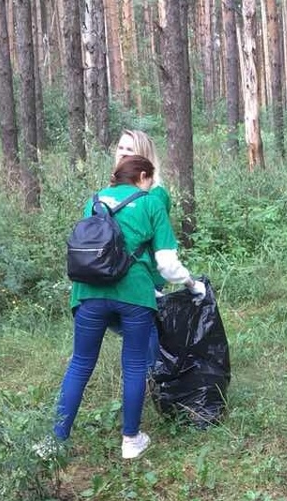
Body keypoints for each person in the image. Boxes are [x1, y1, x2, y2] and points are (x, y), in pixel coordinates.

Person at [47, 155, 205, 459]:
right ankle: (131, 440)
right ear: (143, 176)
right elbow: (167, 265)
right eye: (150, 179)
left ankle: (55, 439)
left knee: (80, 363)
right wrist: (191, 285)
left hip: (88, 292)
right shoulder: (150, 203)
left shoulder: (94, 200)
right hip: (134, 294)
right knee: (133, 365)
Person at [113, 130, 169, 365]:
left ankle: (153, 377)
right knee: (132, 327)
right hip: (117, 271)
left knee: (146, 330)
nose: (123, 153)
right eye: (121, 148)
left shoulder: (156, 194)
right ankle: (147, 369)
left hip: (142, 273)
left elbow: (155, 239)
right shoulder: (114, 189)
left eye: (130, 149)